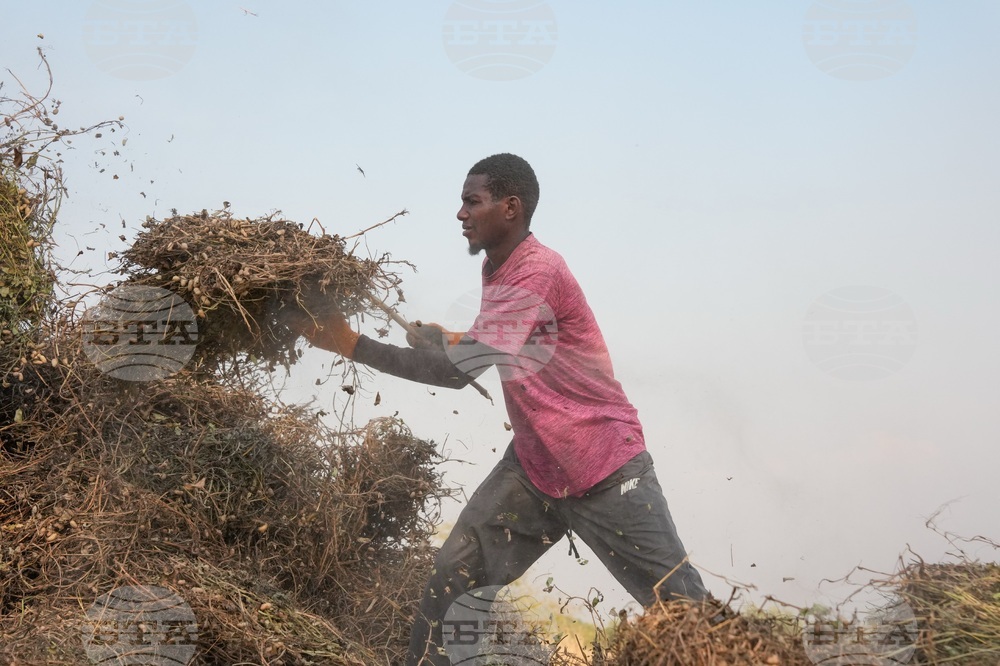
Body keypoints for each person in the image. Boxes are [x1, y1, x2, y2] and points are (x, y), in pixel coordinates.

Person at [285, 153, 709, 665]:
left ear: (510, 207)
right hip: (535, 467)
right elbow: (504, 342)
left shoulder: (536, 269)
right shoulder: (498, 266)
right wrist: (448, 339)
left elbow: (458, 374)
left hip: (603, 465)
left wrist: (350, 343)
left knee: (684, 614)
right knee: (453, 579)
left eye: (472, 201)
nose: (460, 213)